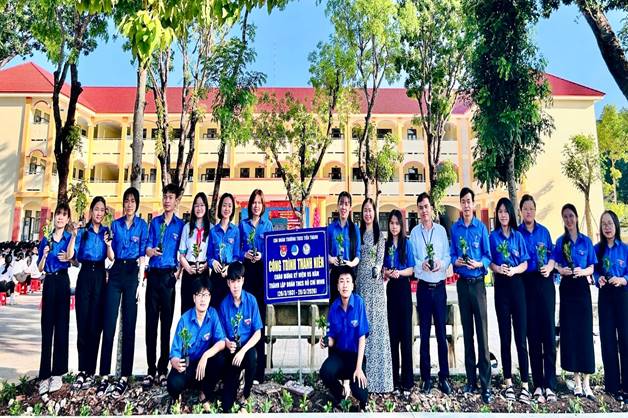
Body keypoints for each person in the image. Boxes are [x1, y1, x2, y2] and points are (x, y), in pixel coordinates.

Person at [99, 187, 148, 398]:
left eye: (132, 201)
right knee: (109, 325)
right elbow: (110, 256)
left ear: (137, 204)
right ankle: (104, 375)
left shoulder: (142, 225)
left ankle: (124, 377)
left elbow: (143, 255)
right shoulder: (115, 225)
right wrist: (109, 246)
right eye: (126, 200)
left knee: (129, 325)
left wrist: (140, 283)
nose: (129, 204)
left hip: (132, 274)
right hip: (116, 271)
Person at [450, 187, 493, 403]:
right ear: (460, 204)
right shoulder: (455, 229)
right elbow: (452, 253)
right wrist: (455, 261)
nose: (466, 205)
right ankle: (470, 380)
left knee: (482, 335)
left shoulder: (481, 228)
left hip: (477, 286)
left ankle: (486, 384)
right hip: (462, 285)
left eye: (469, 201)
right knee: (467, 334)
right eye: (463, 201)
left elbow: (488, 255)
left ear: (473, 204)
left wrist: (479, 264)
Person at [551, 203, 596, 400]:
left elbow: (592, 267)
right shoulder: (561, 242)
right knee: (571, 334)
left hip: (582, 289)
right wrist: (561, 270)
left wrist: (583, 271)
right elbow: (554, 263)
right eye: (565, 217)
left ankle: (587, 382)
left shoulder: (586, 242)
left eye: (571, 216)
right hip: (567, 289)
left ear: (576, 217)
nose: (569, 220)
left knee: (584, 333)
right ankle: (576, 381)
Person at [488, 197, 531, 403]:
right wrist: (498, 268)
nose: (503, 215)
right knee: (505, 337)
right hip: (501, 288)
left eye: (506, 211)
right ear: (497, 215)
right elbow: (489, 262)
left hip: (517, 286)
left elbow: (525, 263)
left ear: (511, 214)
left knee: (520, 338)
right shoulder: (493, 237)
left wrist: (514, 270)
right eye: (500, 211)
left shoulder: (518, 236)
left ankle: (525, 384)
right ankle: (508, 383)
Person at [409, 192, 452, 394]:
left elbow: (448, 256)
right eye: (421, 207)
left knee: (441, 334)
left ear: (431, 209)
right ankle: (426, 378)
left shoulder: (441, 231)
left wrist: (441, 264)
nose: (424, 210)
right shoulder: (414, 233)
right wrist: (422, 265)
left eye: (426, 206)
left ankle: (444, 377)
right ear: (418, 210)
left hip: (440, 288)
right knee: (424, 335)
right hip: (424, 289)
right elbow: (412, 259)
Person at [143, 183, 185, 387]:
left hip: (169, 278)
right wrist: (151, 252)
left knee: (166, 325)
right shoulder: (155, 222)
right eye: (165, 197)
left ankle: (162, 369)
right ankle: (151, 369)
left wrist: (177, 273)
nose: (167, 200)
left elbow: (183, 252)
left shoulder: (181, 225)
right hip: (153, 276)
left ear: (176, 201)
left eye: (171, 197)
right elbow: (147, 247)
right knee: (151, 325)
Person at [518, 194, 557, 403]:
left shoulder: (544, 231)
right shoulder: (517, 233)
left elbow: (553, 255)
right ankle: (538, 385)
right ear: (520, 211)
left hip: (545, 283)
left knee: (548, 334)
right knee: (532, 335)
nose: (528, 212)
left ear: (535, 210)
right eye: (525, 208)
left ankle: (550, 384)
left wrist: (550, 266)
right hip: (526, 284)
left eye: (531, 208)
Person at [37, 203, 77, 396]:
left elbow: (73, 259)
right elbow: (39, 267)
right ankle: (44, 375)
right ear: (54, 217)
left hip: (62, 281)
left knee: (62, 326)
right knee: (47, 327)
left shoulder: (69, 237)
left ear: (68, 219)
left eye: (64, 215)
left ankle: (58, 373)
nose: (60, 217)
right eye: (58, 214)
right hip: (49, 282)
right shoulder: (46, 239)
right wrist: (44, 256)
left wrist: (70, 253)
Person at [355, 197, 393, 393]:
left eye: (370, 210)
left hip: (375, 287)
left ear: (374, 213)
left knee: (376, 329)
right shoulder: (358, 234)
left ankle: (380, 381)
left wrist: (377, 268)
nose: (368, 214)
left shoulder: (380, 237)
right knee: (362, 329)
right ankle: (360, 378)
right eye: (365, 210)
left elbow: (380, 260)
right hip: (361, 286)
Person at [167, 277, 226, 402]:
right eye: (199, 295)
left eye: (206, 295)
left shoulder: (213, 314)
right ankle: (183, 393)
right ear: (194, 298)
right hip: (187, 366)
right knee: (173, 384)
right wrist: (176, 362)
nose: (203, 299)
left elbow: (221, 342)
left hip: (204, 366)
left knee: (220, 359)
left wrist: (205, 356)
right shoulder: (184, 320)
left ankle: (204, 392)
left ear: (210, 297)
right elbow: (174, 353)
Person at [319, 265, 369, 411]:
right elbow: (333, 339)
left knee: (360, 392)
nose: (345, 285)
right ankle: (341, 395)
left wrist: (358, 368)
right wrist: (326, 341)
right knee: (325, 372)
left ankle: (362, 405)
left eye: (348, 281)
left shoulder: (359, 303)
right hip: (340, 356)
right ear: (337, 286)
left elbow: (362, 338)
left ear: (353, 285)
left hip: (355, 357)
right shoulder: (334, 307)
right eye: (341, 281)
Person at [72, 196, 109, 390]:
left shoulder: (106, 232)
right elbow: (74, 258)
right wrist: (73, 236)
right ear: (91, 211)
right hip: (85, 274)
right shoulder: (83, 232)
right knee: (83, 322)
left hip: (100, 275)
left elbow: (111, 255)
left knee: (96, 324)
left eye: (102, 210)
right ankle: (82, 369)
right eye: (96, 209)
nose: (99, 213)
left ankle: (91, 370)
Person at [239, 189, 273, 384]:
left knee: (259, 322)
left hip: (261, 276)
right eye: (254, 202)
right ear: (250, 205)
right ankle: (244, 368)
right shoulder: (243, 225)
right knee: (246, 320)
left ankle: (259, 371)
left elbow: (272, 250)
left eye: (259, 202)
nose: (256, 205)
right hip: (247, 276)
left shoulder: (267, 225)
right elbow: (237, 250)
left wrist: (262, 256)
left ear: (263, 205)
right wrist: (245, 254)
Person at [594, 210, 628, 404]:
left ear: (616, 225)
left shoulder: (625, 249)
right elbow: (593, 270)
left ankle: (627, 386)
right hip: (605, 296)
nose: (607, 227)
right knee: (607, 340)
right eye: (604, 224)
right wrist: (598, 279)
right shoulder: (597, 249)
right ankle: (612, 386)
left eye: (610, 223)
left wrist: (622, 279)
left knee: (625, 339)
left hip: (622, 295)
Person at [218, 261, 262, 412]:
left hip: (246, 348)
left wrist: (243, 351)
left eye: (238, 281)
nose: (235, 286)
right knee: (226, 404)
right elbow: (221, 334)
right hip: (231, 351)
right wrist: (227, 343)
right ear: (228, 283)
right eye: (232, 281)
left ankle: (246, 394)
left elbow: (258, 333)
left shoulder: (251, 301)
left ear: (243, 280)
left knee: (252, 356)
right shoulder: (224, 305)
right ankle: (232, 384)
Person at [383, 209, 415, 393]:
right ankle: (394, 380)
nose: (394, 227)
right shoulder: (386, 244)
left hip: (403, 289)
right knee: (393, 338)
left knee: (405, 337)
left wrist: (398, 273)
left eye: (397, 223)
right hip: (391, 290)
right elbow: (383, 268)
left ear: (401, 225)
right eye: (391, 223)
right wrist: (387, 272)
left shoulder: (406, 244)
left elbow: (411, 269)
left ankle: (407, 381)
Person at [179, 192, 211, 315]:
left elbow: (212, 254)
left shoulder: (211, 228)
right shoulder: (187, 228)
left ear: (206, 207)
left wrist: (206, 265)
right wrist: (187, 267)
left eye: (202, 205)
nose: (199, 208)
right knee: (187, 308)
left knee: (202, 309)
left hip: (204, 272)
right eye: (196, 205)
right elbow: (182, 255)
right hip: (189, 271)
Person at [327, 191, 360, 303]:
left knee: (350, 308)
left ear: (350, 207)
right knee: (335, 306)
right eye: (341, 203)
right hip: (335, 273)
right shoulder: (330, 229)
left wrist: (351, 263)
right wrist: (331, 259)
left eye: (346, 204)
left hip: (349, 272)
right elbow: (324, 252)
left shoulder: (354, 229)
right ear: (337, 206)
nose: (343, 207)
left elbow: (358, 254)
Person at [208, 193, 240, 309]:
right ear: (220, 207)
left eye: (230, 206)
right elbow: (209, 255)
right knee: (215, 308)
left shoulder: (235, 231)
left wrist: (229, 267)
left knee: (229, 309)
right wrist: (213, 262)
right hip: (216, 275)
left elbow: (237, 255)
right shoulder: (213, 231)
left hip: (230, 275)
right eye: (224, 205)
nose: (227, 209)